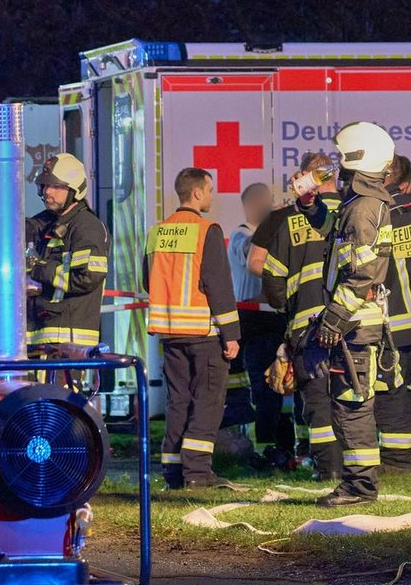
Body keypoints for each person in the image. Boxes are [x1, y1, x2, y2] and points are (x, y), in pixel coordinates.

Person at [316, 122, 396, 506]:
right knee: (349, 401)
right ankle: (357, 482)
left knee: (352, 404)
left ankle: (360, 486)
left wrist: (334, 316)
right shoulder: (361, 205)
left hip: (355, 324)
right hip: (357, 322)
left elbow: (365, 273)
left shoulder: (363, 209)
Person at [145, 167, 240, 489]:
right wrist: (233, 335)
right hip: (203, 333)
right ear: (197, 193)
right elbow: (219, 286)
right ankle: (198, 474)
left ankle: (173, 471)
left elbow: (149, 280)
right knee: (208, 402)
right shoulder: (206, 230)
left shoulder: (157, 232)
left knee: (178, 401)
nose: (212, 196)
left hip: (170, 333)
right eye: (210, 190)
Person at [260, 153, 344, 480]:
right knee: (353, 398)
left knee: (319, 402)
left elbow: (272, 280)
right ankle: (361, 466)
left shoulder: (290, 220)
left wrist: (286, 307)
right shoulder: (353, 211)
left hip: (306, 328)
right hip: (352, 323)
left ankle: (329, 470)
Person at [228, 183, 292, 467]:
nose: (270, 207)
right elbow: (258, 263)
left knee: (282, 386)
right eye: (265, 203)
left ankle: (285, 446)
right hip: (255, 323)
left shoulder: (265, 235)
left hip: (274, 319)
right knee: (264, 387)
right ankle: (264, 449)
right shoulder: (242, 235)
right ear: (251, 205)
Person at [376, 155, 411, 472]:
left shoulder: (382, 215)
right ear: (407, 182)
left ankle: (398, 460)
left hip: (391, 320)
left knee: (391, 390)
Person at [24, 153, 109, 349]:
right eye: (44, 186)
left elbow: (86, 278)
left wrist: (39, 269)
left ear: (74, 190)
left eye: (55, 186)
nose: (47, 192)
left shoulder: (87, 227)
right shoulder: (47, 222)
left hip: (68, 340)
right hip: (41, 336)